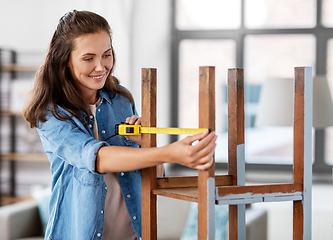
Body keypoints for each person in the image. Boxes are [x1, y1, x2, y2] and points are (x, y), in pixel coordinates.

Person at [23, 10, 217, 240]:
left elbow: (153, 176)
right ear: (65, 60)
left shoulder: (122, 101)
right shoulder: (52, 114)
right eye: (88, 58)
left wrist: (147, 145)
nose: (101, 67)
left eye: (106, 54)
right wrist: (170, 153)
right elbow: (97, 158)